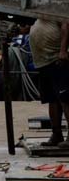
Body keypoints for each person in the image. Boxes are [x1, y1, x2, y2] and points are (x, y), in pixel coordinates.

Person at [28, 18, 69, 148]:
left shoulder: (55, 8)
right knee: (52, 99)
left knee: (65, 99)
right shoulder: (38, 15)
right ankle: (56, 134)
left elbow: (66, 25)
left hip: (57, 60)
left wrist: (63, 50)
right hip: (43, 63)